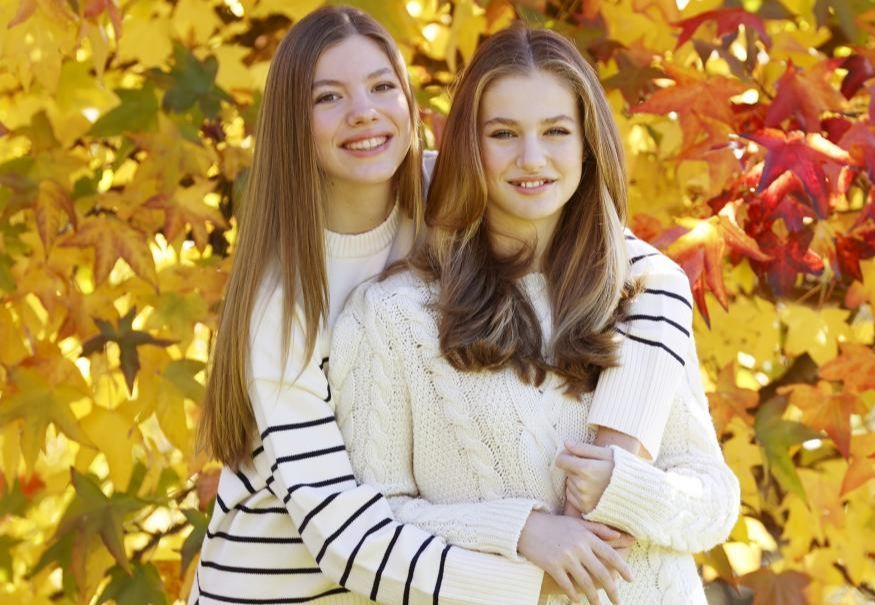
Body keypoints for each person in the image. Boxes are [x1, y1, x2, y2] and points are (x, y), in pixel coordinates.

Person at [190, 7, 693, 605]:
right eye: (329, 97)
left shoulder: (450, 193)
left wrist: (620, 443)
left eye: (382, 87)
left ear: (411, 105)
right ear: (292, 124)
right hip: (277, 585)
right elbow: (341, 531)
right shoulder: (285, 303)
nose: (364, 112)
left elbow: (643, 271)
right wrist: (534, 561)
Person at [329, 26, 740, 605]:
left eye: (556, 132)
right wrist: (521, 532)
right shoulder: (395, 318)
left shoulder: (642, 296)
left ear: (586, 145)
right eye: (503, 134)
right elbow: (376, 526)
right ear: (470, 146)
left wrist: (628, 488)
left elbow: (714, 501)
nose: (532, 158)